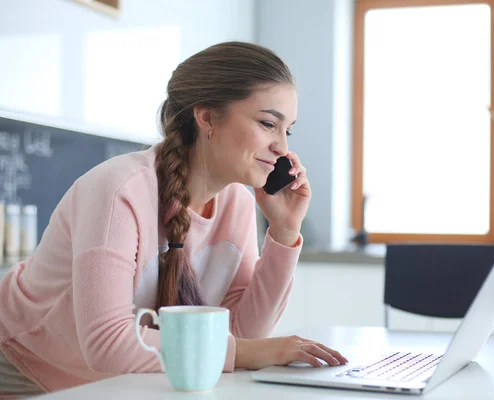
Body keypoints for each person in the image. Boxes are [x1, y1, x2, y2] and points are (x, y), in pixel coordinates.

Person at [0, 41, 348, 395]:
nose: (282, 148)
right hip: (22, 363)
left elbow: (240, 335)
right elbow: (107, 344)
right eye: (267, 123)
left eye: (286, 130)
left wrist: (285, 231)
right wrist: (247, 352)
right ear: (207, 117)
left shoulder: (238, 205)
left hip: (111, 379)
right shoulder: (119, 190)